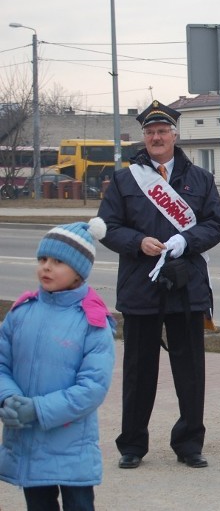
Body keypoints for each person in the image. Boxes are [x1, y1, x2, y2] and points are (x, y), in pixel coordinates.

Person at [98, 100, 220, 470]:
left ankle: (189, 443)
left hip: (186, 285)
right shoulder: (126, 180)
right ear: (145, 137)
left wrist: (186, 241)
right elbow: (107, 227)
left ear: (175, 135)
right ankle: (133, 445)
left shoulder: (199, 179)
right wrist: (137, 242)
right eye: (150, 132)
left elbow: (216, 224)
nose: (157, 137)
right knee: (139, 371)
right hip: (141, 284)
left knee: (190, 370)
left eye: (163, 131)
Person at [0, 218, 115, 511]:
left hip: (71, 445)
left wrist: (37, 409)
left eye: (58, 261)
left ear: (79, 272)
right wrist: (7, 398)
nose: (46, 267)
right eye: (42, 259)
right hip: (28, 443)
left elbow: (93, 388)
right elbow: (2, 365)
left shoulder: (92, 322)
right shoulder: (20, 313)